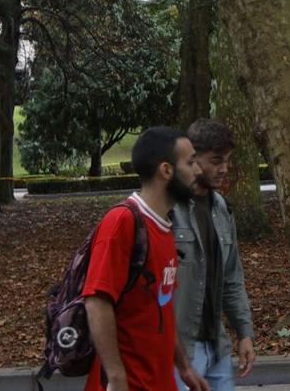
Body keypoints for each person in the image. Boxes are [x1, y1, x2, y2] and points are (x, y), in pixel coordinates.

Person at [84, 127, 209, 391]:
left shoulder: (164, 227)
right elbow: (96, 301)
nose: (198, 170)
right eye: (190, 162)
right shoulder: (122, 222)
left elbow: (162, 307)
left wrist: (183, 366)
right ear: (166, 170)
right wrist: (117, 379)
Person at [171, 119, 257, 391]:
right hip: (179, 348)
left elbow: (232, 277)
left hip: (216, 344)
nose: (224, 169)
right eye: (217, 161)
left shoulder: (221, 208)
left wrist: (244, 333)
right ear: (194, 159)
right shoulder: (169, 209)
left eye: (227, 161)